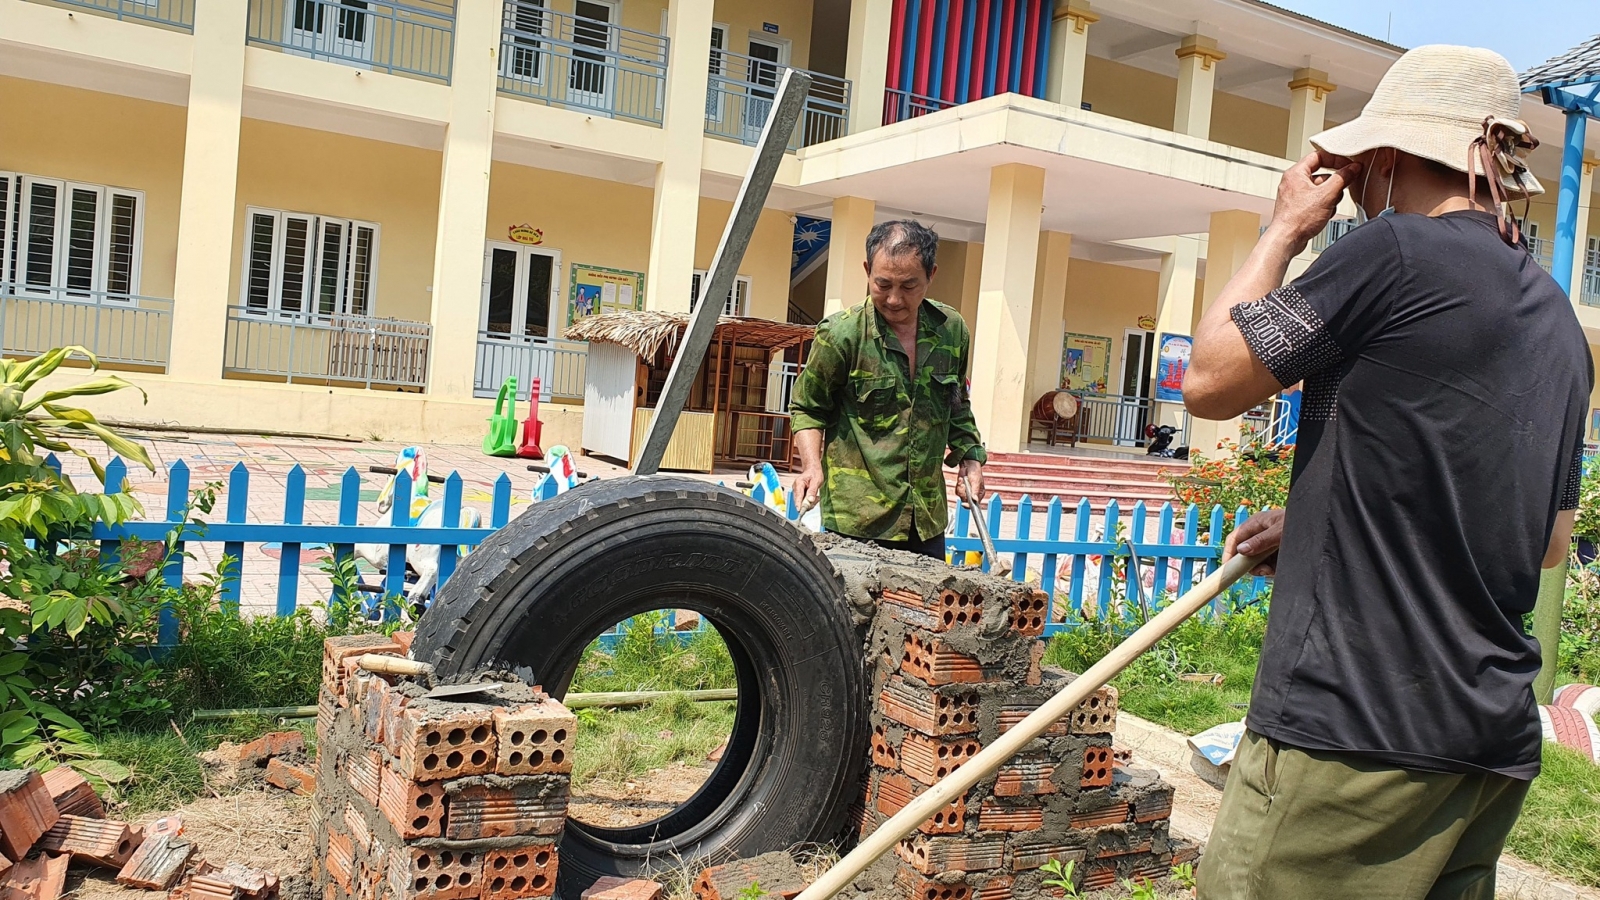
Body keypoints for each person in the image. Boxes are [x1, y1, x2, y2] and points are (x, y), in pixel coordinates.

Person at [1183, 45, 1591, 900]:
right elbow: (1548, 541)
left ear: (1386, 158)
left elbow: (1211, 381)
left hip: (1353, 735)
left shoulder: (1396, 254)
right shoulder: (1559, 322)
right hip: (1484, 747)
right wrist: (1328, 517)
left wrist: (1286, 227)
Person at [789, 219, 986, 559]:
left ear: (931, 275)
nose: (894, 299)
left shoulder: (952, 331)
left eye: (909, 286)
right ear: (867, 271)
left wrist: (970, 458)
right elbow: (808, 408)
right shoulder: (841, 335)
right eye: (882, 284)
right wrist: (811, 466)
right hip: (856, 521)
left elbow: (956, 405)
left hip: (925, 519)